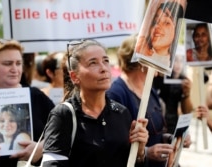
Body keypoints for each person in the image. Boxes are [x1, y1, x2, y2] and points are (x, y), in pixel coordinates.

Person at [42, 39, 149, 167]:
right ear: (74, 77)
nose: (103, 68)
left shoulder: (122, 113)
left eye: (106, 61)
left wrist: (140, 152)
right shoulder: (63, 115)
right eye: (93, 63)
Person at [0, 38, 55, 167]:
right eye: (7, 63)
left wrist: (43, 147)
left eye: (18, 63)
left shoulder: (35, 96)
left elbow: (64, 130)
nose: (15, 69)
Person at [107, 34, 174, 167]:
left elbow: (156, 132)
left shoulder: (149, 89)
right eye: (156, 54)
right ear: (141, 61)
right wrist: (146, 152)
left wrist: (172, 139)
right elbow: (115, 144)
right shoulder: (116, 93)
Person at [153, 45, 193, 134]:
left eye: (181, 60)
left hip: (174, 126)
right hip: (158, 125)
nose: (178, 64)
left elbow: (187, 111)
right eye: (175, 60)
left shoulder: (184, 81)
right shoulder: (158, 78)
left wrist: (186, 94)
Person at [135, 1, 184, 67]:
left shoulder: (176, 65)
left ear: (177, 31)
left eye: (166, 22)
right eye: (155, 22)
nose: (157, 26)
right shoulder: (140, 56)